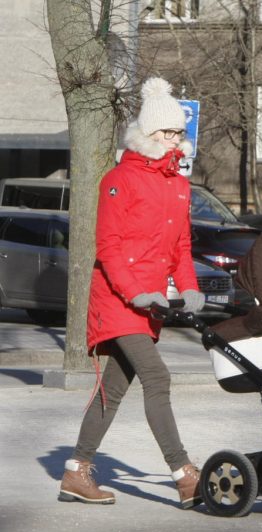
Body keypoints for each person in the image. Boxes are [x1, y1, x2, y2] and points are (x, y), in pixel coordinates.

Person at [58, 77, 206, 509]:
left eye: (179, 132)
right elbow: (109, 247)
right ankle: (183, 474)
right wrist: (136, 293)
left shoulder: (178, 185)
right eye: (167, 132)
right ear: (147, 134)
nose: (175, 140)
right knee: (157, 377)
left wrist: (191, 288)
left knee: (115, 389)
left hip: (150, 304)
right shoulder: (118, 180)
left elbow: (180, 246)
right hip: (117, 300)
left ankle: (75, 472)